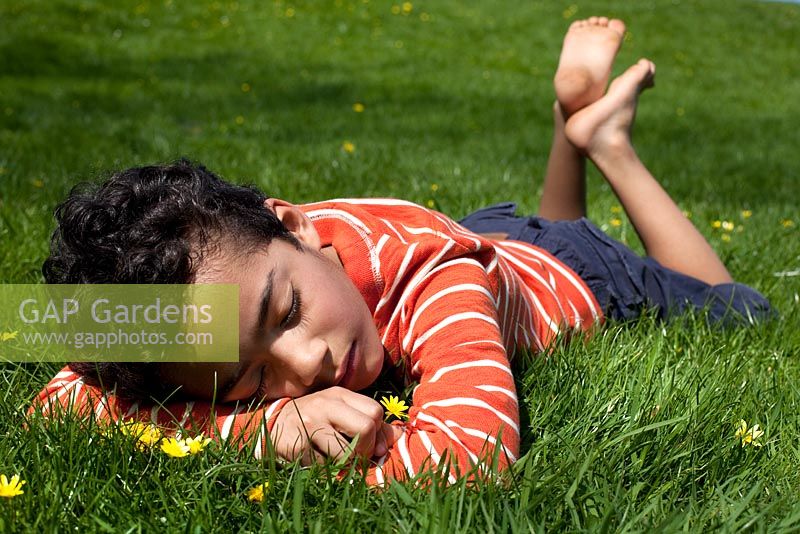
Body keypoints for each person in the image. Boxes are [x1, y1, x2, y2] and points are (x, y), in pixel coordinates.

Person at [34, 17, 771, 485]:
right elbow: (49, 396)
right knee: (520, 242)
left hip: (578, 275)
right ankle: (569, 128)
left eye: (286, 312)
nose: (304, 366)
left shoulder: (430, 279)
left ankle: (608, 143)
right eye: (246, 378)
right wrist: (257, 428)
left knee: (742, 309)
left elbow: (467, 462)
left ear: (294, 225)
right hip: (488, 239)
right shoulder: (234, 250)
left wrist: (228, 431)